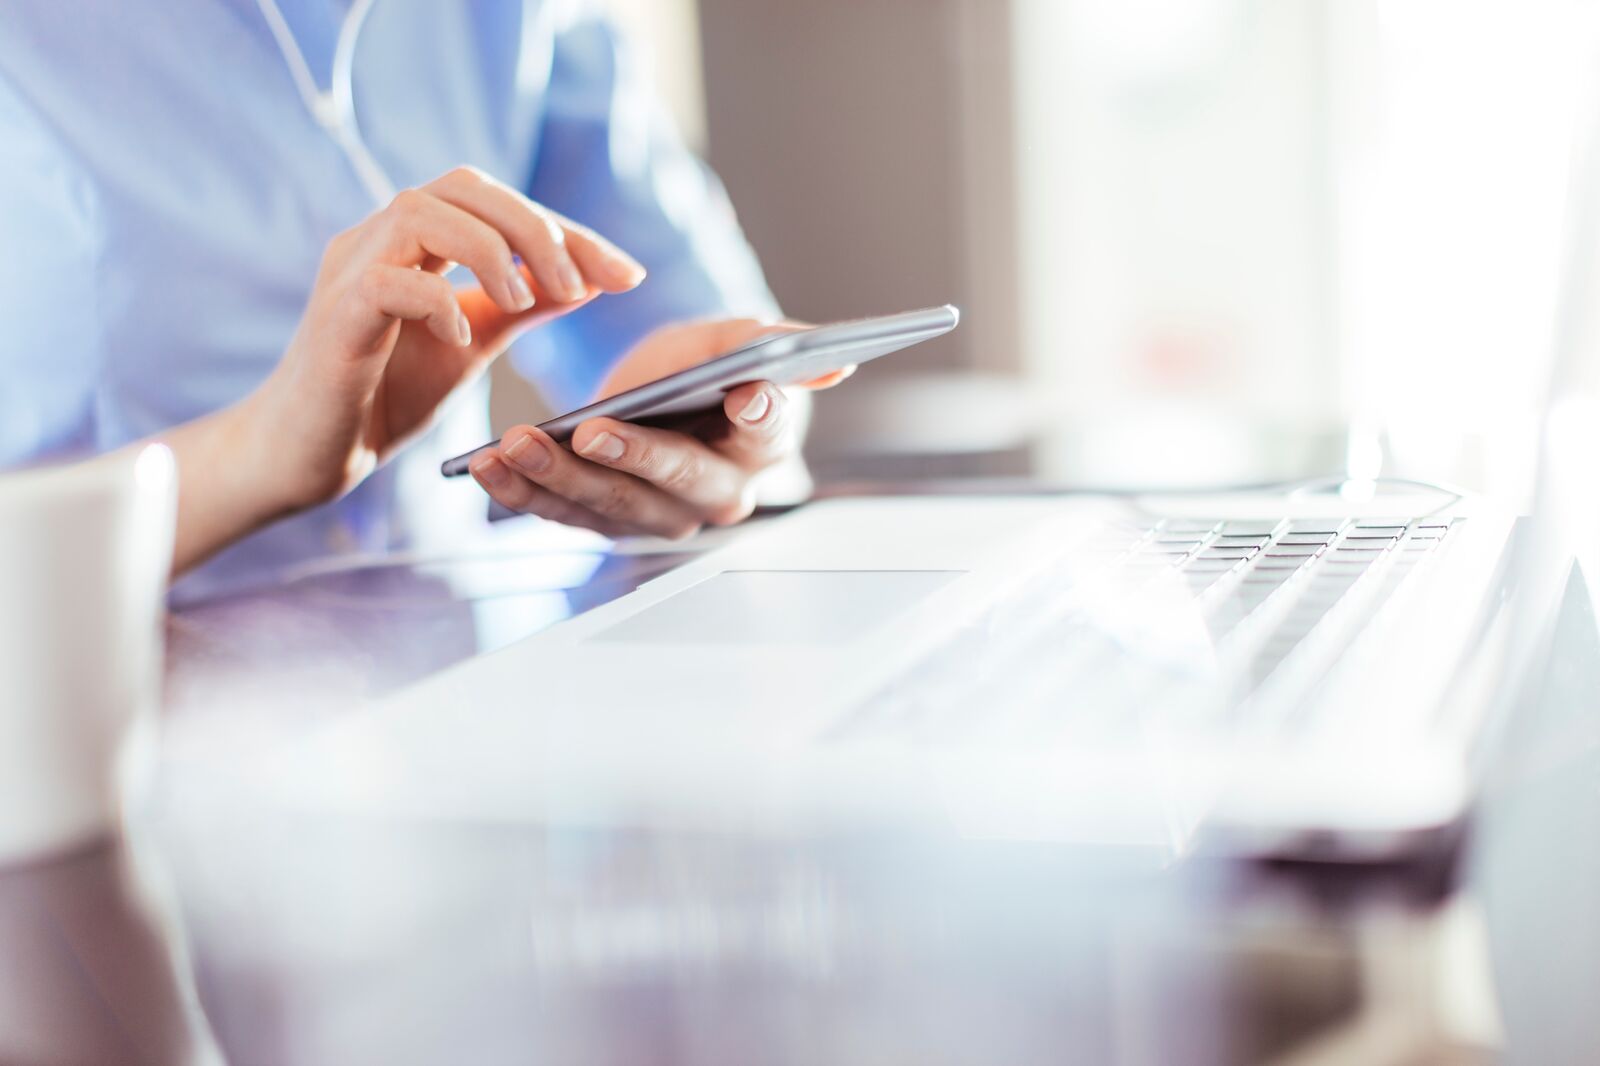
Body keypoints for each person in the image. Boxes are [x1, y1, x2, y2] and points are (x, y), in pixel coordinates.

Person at [0, 1, 831, 597]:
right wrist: (253, 456)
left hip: (446, 700)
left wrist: (720, 423)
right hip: (85, 741)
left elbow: (691, 334)